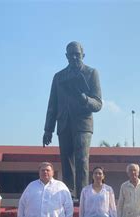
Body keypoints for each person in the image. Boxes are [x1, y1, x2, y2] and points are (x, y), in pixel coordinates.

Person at [43, 41, 103, 200]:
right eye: (71, 55)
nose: (74, 57)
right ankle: (68, 195)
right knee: (66, 161)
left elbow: (98, 103)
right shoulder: (59, 77)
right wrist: (48, 129)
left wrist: (85, 99)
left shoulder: (91, 73)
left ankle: (82, 196)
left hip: (83, 123)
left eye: (77, 54)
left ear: (83, 54)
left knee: (82, 160)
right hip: (63, 123)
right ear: (66, 56)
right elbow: (52, 105)